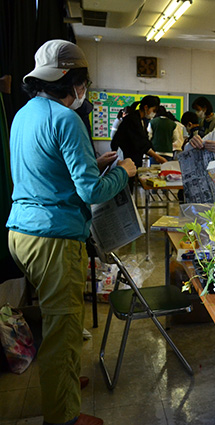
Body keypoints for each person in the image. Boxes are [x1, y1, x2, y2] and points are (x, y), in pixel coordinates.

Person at [6, 39, 136, 425]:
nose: (85, 92)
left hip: (21, 233)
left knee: (53, 319)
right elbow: (92, 192)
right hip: (54, 240)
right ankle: (63, 417)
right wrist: (123, 173)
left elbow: (45, 170)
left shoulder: (24, 114)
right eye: (85, 83)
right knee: (62, 332)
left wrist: (93, 162)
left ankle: (61, 382)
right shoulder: (67, 119)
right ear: (72, 80)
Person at [111, 95, 167, 168]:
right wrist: (157, 157)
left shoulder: (141, 120)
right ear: (146, 107)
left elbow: (145, 140)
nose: (154, 113)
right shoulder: (132, 120)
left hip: (132, 158)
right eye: (153, 110)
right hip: (124, 158)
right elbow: (141, 142)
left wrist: (155, 154)